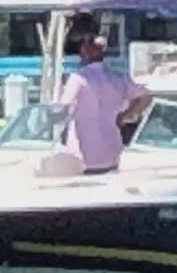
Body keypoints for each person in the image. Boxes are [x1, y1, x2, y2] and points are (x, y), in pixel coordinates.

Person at [56, 36, 151, 174]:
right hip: (112, 151)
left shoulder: (78, 79)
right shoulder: (116, 78)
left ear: (85, 52)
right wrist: (127, 115)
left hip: (83, 155)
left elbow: (62, 108)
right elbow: (146, 95)